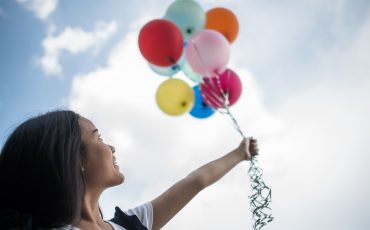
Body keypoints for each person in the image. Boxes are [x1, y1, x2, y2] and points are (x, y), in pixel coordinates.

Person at [0, 110, 258, 230]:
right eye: (98, 138)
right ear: (75, 158)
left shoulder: (131, 225)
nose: (111, 146)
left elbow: (196, 181)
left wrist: (239, 154)